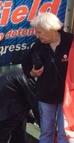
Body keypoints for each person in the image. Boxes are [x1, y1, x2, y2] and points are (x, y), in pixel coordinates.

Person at [22, 12, 73, 143]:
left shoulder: (70, 42)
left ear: (51, 30)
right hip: (45, 95)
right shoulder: (38, 46)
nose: (36, 35)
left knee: (64, 133)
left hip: (67, 97)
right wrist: (32, 73)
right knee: (46, 132)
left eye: (39, 32)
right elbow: (26, 65)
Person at [0, 68, 40, 143]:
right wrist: (43, 124)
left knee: (18, 137)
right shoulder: (30, 80)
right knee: (4, 137)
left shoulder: (25, 74)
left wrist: (33, 118)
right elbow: (35, 106)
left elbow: (27, 104)